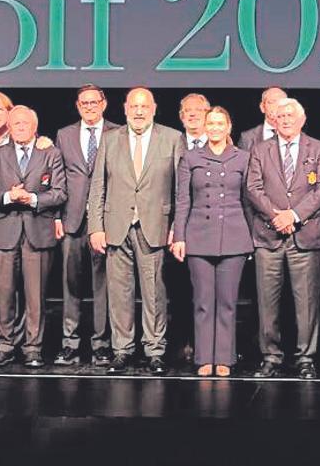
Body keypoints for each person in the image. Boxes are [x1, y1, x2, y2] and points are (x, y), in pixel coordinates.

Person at [87, 87, 184, 375]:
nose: (139, 111)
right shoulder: (109, 139)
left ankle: (155, 350)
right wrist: (95, 228)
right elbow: (98, 187)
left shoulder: (172, 138)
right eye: (134, 106)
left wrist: (177, 227)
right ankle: (122, 349)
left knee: (154, 293)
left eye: (144, 106)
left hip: (155, 226)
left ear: (154, 109)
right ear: (125, 109)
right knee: (119, 293)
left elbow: (181, 190)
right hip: (116, 227)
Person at [245, 97, 320, 379]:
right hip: (268, 236)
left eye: (291, 116)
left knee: (306, 303)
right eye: (280, 116)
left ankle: (306, 358)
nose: (285, 120)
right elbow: (253, 188)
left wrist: (293, 215)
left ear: (302, 119)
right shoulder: (259, 150)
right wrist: (276, 216)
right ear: (273, 120)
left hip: (304, 236)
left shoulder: (317, 148)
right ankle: (271, 357)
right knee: (267, 303)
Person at [0, 105, 67, 368]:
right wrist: (8, 196)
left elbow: (60, 193)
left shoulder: (50, 153)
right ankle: (4, 344)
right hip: (4, 233)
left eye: (24, 124)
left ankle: (33, 347)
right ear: (9, 126)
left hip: (37, 232)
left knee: (35, 295)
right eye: (15, 123)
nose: (19, 127)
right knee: (2, 293)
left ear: (34, 127)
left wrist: (32, 199)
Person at [171, 106, 252, 377]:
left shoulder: (242, 158)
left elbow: (247, 201)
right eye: (211, 123)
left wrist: (252, 239)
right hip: (198, 236)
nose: (215, 128)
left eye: (220, 123)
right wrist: (179, 236)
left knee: (227, 301)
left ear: (229, 127)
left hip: (234, 236)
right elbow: (183, 200)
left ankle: (225, 359)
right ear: (205, 127)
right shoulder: (191, 157)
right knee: (203, 301)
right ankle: (205, 357)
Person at [53, 84, 119, 366]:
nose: (89, 107)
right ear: (78, 106)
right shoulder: (64, 135)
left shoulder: (118, 133)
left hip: (105, 221)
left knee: (104, 285)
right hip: (72, 219)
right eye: (84, 103)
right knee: (71, 284)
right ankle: (70, 343)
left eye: (94, 102)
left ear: (104, 104)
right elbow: (56, 177)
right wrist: (56, 216)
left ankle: (102, 343)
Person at [169, 92, 213, 364]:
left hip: (211, 230)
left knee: (209, 293)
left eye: (199, 110)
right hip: (177, 230)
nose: (193, 114)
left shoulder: (223, 143)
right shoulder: (170, 143)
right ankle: (183, 344)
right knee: (180, 291)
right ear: (181, 116)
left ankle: (208, 347)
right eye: (188, 110)